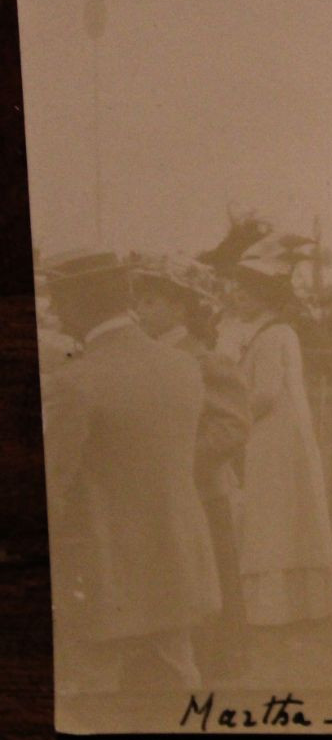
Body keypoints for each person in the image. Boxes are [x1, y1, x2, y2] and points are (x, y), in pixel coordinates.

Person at [40, 250, 220, 691]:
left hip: (104, 569)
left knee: (91, 686)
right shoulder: (182, 367)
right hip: (176, 557)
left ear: (80, 305)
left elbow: (52, 485)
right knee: (177, 676)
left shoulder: (75, 381)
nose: (55, 314)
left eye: (58, 302)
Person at [131, 256, 251, 678]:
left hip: (202, 492)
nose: (140, 311)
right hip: (161, 491)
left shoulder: (204, 361)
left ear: (180, 308)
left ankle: (217, 660)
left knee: (210, 575)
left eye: (149, 302)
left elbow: (233, 425)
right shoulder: (146, 357)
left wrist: (180, 460)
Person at [224, 233, 332, 629]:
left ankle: (277, 606)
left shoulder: (275, 334)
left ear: (266, 296)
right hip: (273, 433)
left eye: (247, 292)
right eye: (237, 291)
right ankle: (288, 604)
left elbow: (267, 394)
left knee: (273, 511)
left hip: (274, 433)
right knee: (277, 510)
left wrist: (231, 418)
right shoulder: (259, 332)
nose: (238, 297)